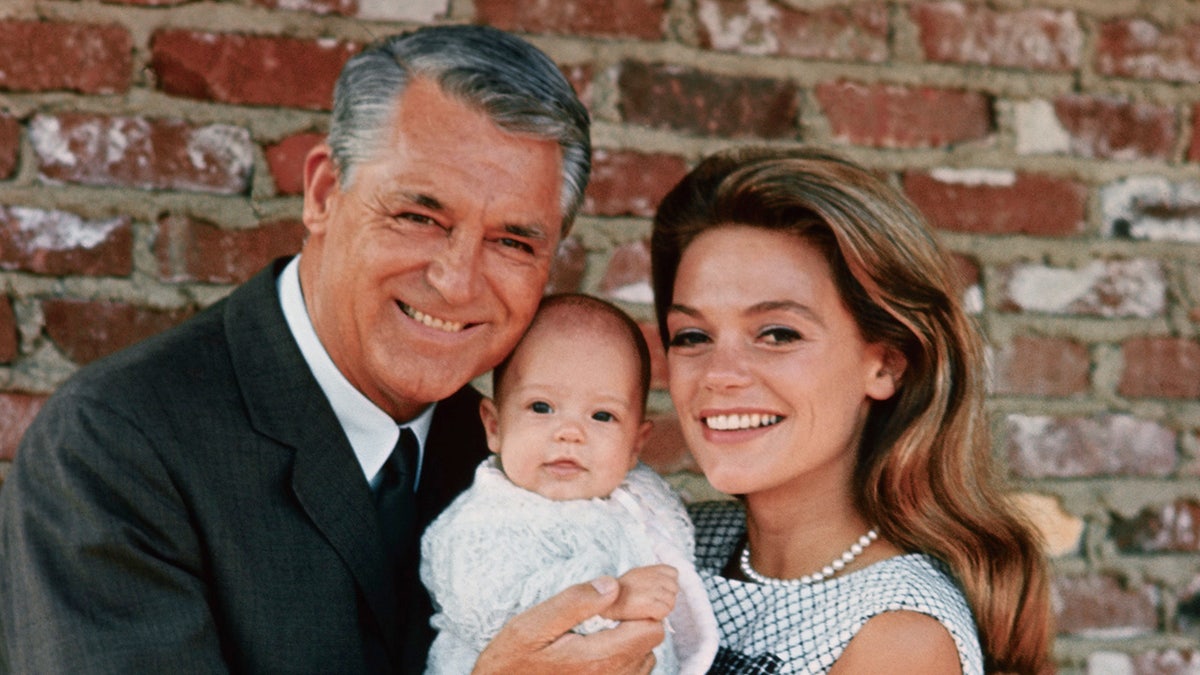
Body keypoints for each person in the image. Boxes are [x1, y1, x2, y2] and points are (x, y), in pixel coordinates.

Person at [0, 25, 663, 674]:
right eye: (419, 216)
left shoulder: (530, 457)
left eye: (513, 241)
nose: (457, 282)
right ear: (323, 192)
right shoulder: (115, 446)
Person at [649, 146, 1053, 674]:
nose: (720, 373)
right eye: (693, 335)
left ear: (885, 364)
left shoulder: (896, 639)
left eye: (777, 334)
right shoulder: (671, 540)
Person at [420, 294, 718, 675]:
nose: (570, 433)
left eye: (602, 415)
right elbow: (490, 607)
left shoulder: (636, 498)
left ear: (635, 445)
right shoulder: (483, 522)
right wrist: (611, 600)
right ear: (495, 427)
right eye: (541, 407)